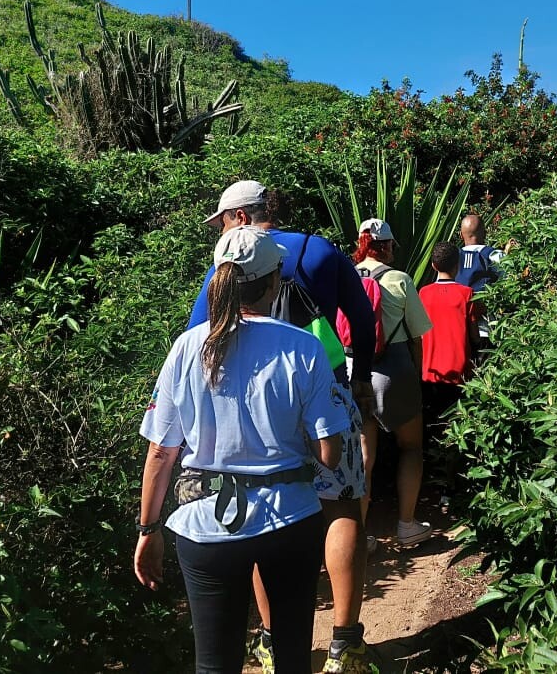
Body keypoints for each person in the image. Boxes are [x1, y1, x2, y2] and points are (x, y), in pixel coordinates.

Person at [134, 226, 350, 674]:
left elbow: (160, 453)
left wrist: (148, 529)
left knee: (214, 664)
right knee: (293, 658)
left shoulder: (186, 347)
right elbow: (329, 454)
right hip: (290, 518)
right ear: (274, 283)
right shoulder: (304, 346)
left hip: (205, 524)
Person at [188, 181, 377, 674]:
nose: (221, 229)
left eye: (223, 220)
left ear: (241, 216)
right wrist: (358, 379)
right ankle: (345, 644)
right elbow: (361, 319)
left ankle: (272, 641)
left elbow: (197, 336)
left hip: (257, 407)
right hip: (326, 393)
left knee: (262, 508)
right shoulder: (321, 251)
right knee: (343, 509)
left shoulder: (228, 262)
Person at [351, 218, 435, 548]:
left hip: (354, 371)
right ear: (386, 246)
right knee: (411, 446)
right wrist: (418, 375)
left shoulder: (347, 276)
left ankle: (359, 537)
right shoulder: (399, 279)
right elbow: (418, 333)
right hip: (394, 369)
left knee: (363, 457)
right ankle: (407, 525)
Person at [418, 242, 479, 500]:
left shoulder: (423, 294)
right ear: (458, 265)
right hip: (459, 372)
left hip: (430, 372)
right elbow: (474, 336)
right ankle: (451, 485)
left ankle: (432, 483)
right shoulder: (467, 294)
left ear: (433, 265)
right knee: (457, 428)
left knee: (433, 428)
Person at [456, 213, 514, 350]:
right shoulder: (494, 255)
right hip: (487, 328)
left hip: (458, 329)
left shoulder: (452, 258)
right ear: (485, 233)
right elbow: (511, 281)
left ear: (461, 235)